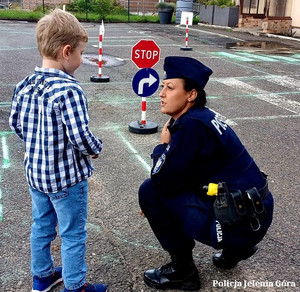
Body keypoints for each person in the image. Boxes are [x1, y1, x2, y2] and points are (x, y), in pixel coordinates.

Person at [138, 56, 274, 291]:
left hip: (240, 222)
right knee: (188, 183)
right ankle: (236, 250)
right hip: (255, 215)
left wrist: (162, 145)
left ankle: (184, 272)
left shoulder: (191, 126)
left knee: (149, 192)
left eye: (170, 88)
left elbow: (162, 180)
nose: (161, 94)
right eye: (163, 87)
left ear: (191, 95)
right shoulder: (204, 116)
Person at [9, 9, 107, 292]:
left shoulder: (24, 85)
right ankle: (75, 286)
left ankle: (42, 277)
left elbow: (16, 124)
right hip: (66, 179)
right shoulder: (69, 90)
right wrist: (95, 148)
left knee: (41, 226)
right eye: (81, 53)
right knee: (73, 233)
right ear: (67, 51)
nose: (82, 59)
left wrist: (37, 143)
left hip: (36, 175)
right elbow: (80, 137)